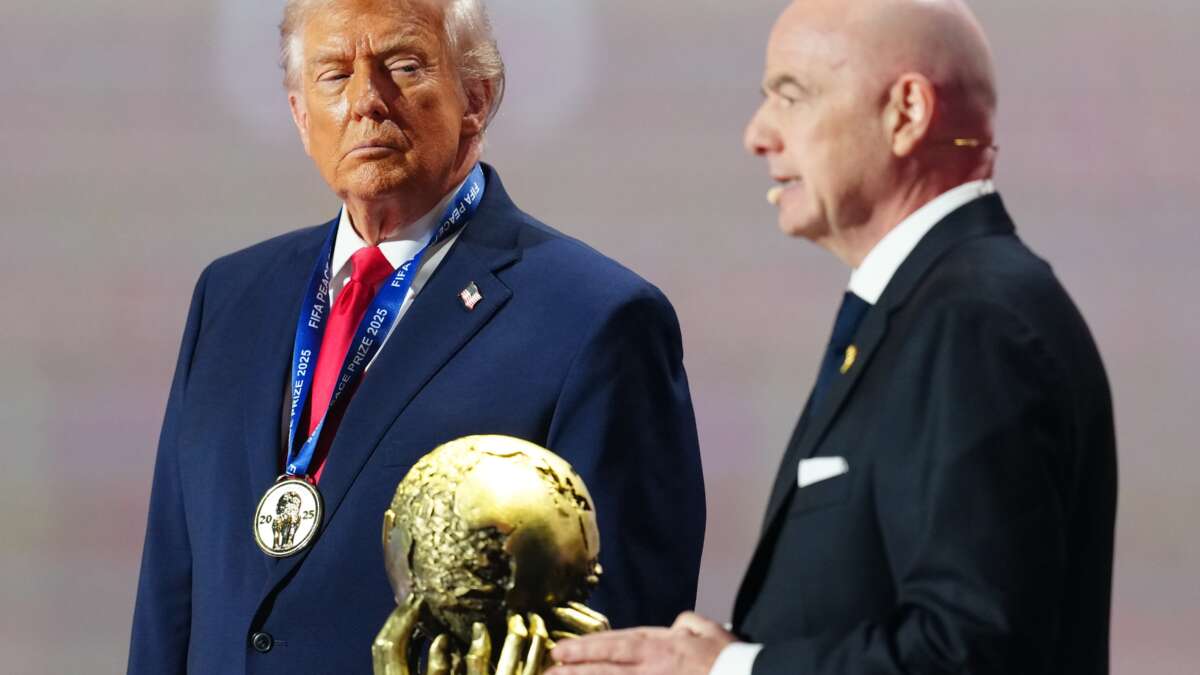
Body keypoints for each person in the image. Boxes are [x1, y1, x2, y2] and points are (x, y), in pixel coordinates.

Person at [126, 0, 706, 672]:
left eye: (402, 66)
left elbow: (615, 640)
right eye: (334, 76)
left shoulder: (597, 320)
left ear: (477, 99)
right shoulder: (229, 298)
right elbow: (171, 596)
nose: (368, 100)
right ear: (298, 112)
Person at [549, 1, 1116, 674]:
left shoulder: (972, 320)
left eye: (792, 95)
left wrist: (731, 670)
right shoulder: (928, 307)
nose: (758, 134)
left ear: (906, 113)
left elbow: (972, 652)